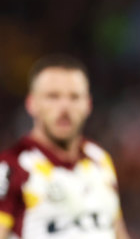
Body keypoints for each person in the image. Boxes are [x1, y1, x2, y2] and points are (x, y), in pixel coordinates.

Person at [0, 54, 130, 239]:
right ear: (31, 104)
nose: (64, 107)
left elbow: (119, 233)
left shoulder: (100, 159)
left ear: (88, 104)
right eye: (53, 96)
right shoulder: (12, 167)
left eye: (74, 97)